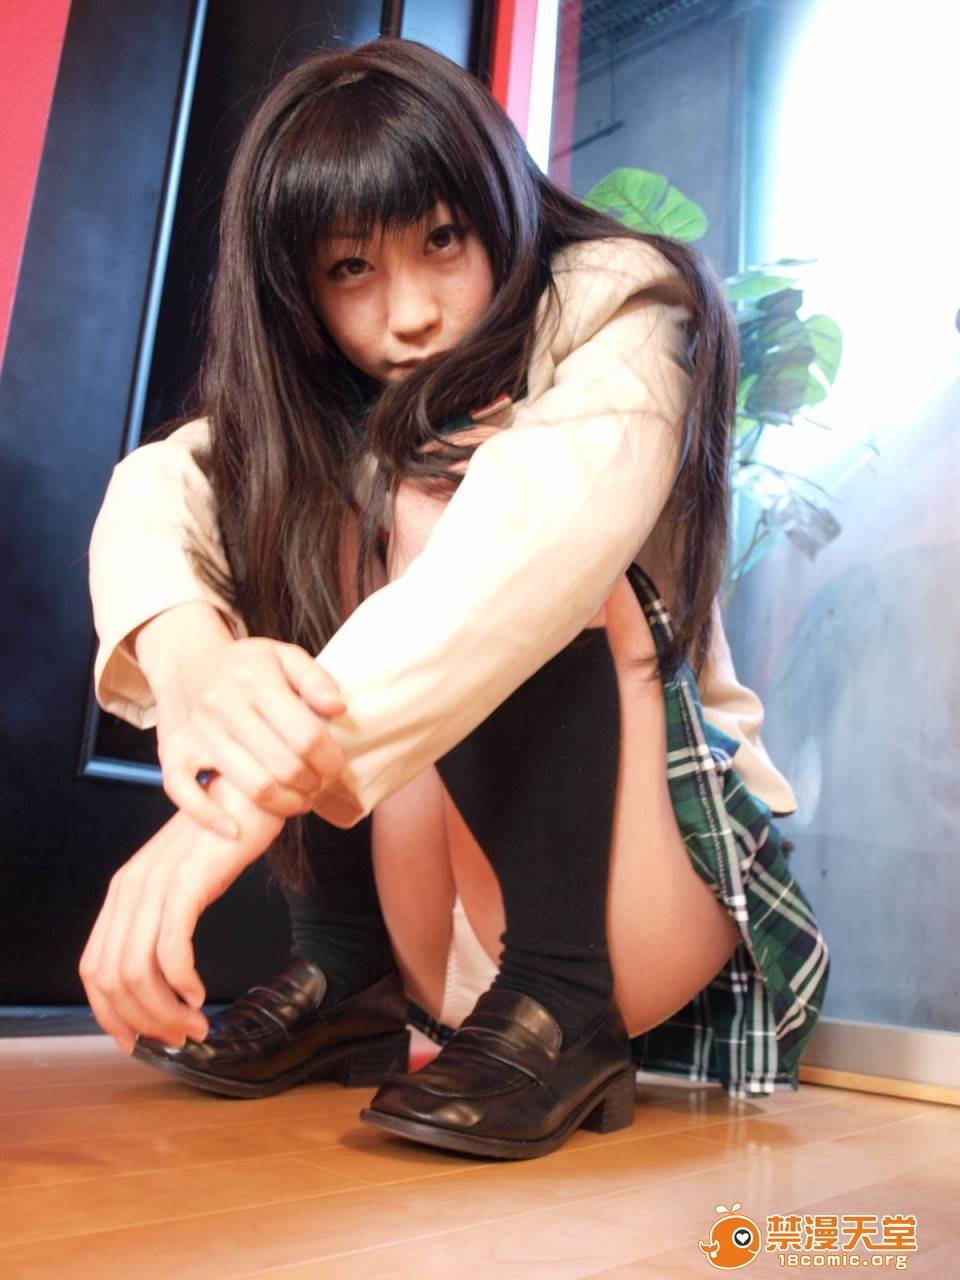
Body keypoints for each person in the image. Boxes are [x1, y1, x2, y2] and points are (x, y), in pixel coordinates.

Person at [80, 36, 830, 1160]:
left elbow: (537, 541)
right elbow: (156, 488)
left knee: (458, 503)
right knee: (294, 496)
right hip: (433, 911)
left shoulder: (626, 306)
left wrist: (222, 814)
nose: (414, 314)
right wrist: (196, 667)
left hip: (636, 904)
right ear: (299, 292)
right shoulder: (322, 393)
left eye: (441, 240)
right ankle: (346, 970)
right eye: (351, 269)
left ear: (497, 206)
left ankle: (561, 1003)